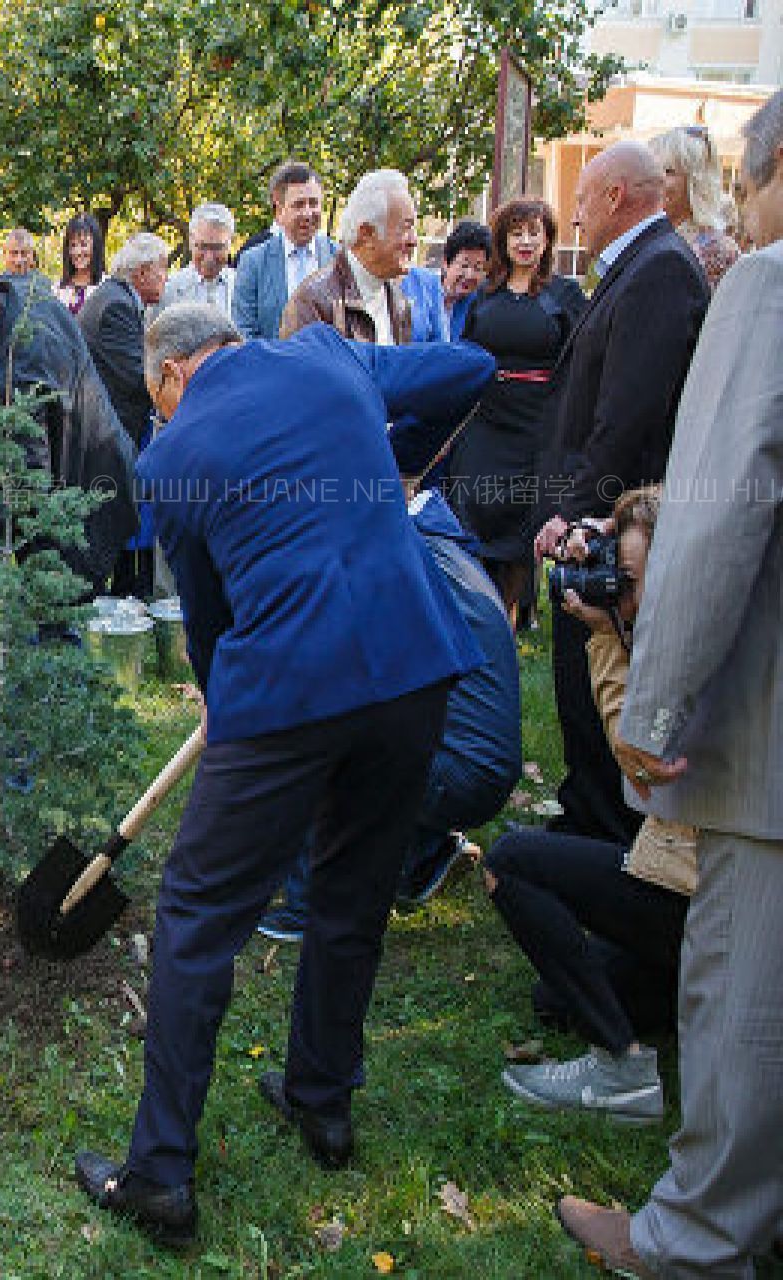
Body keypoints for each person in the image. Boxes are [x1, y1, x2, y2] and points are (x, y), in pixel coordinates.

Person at [73, 302, 492, 1248]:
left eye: (157, 400)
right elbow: (467, 368)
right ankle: (323, 1103)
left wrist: (227, 702)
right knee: (352, 892)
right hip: (411, 668)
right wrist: (396, 465)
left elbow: (211, 619)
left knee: (196, 919)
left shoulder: (170, 461)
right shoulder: (330, 359)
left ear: (173, 375)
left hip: (288, 690)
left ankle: (160, 1176)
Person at [555, 92, 783, 1279]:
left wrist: (653, 709)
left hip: (763, 732)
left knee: (745, 988)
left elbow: (717, 517)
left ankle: (699, 1233)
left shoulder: (766, 287)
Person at [488, 486, 687, 1125]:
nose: (616, 595)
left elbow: (639, 760)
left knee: (512, 861)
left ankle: (624, 1070)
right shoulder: (672, 636)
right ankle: (693, 1012)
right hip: (683, 881)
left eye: (626, 579)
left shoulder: (696, 655)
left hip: (705, 901)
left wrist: (605, 640)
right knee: (560, 997)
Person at [532, 140, 709, 847]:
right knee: (578, 687)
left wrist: (575, 514)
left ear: (614, 197)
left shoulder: (662, 269)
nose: (573, 219)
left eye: (580, 202)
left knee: (596, 680)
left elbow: (627, 414)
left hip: (612, 522)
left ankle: (602, 835)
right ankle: (587, 814)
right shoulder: (639, 265)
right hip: (595, 510)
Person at [259, 481, 524, 942]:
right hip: (479, 764)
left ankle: (311, 904)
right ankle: (423, 857)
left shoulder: (406, 561)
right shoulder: (442, 547)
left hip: (460, 769)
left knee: (313, 733)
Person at [0, 259, 138, 589]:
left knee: (59, 609)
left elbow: (24, 482)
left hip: (81, 499)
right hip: (81, 476)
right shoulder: (15, 294)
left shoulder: (24, 357)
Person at [450, 198, 585, 627]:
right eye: (516, 233)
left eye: (534, 233)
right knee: (473, 523)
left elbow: (580, 363)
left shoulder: (564, 295)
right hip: (485, 429)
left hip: (535, 434)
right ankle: (474, 621)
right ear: (502, 240)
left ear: (547, 240)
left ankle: (507, 626)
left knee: (517, 538)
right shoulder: (483, 296)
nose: (525, 242)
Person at [280, 169, 417, 345]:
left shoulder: (399, 302)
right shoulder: (312, 302)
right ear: (367, 234)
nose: (413, 241)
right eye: (406, 228)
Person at [78, 232, 171, 447]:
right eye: (163, 268)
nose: (166, 277)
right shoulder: (116, 307)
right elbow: (139, 377)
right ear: (142, 272)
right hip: (108, 434)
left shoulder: (116, 296)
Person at [232, 161, 336, 339]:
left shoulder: (340, 257)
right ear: (278, 212)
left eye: (314, 203)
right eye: (299, 205)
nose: (308, 213)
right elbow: (243, 331)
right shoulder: (253, 263)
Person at [648, 124, 740, 290]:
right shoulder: (660, 237)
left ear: (695, 182)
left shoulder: (713, 249)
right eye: (654, 171)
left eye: (669, 171)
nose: (657, 180)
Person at [161, 204, 236, 313]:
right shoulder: (169, 290)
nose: (209, 257)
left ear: (230, 245)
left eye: (217, 247)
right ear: (190, 242)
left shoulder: (241, 287)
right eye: (202, 247)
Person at [437, 220, 491, 340]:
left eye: (478, 268)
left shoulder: (481, 305)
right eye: (464, 265)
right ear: (445, 263)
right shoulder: (422, 296)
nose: (470, 275)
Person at [53, 211, 105, 315]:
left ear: (95, 246)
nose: (77, 252)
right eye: (73, 245)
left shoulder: (106, 287)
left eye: (83, 244)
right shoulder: (57, 289)